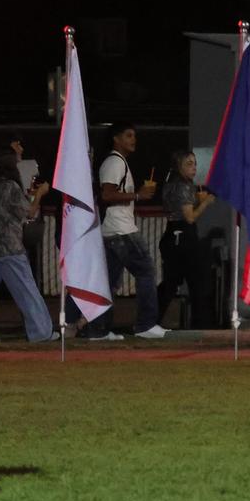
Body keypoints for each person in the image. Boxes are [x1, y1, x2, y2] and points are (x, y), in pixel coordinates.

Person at [79, 121, 167, 340]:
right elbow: (107, 194)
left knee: (108, 282)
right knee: (146, 272)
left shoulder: (116, 162)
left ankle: (99, 330)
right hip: (122, 230)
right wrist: (138, 196)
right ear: (116, 139)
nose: (133, 139)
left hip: (111, 231)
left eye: (133, 135)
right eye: (128, 135)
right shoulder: (115, 163)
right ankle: (146, 324)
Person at [0, 135, 54, 343]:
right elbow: (29, 213)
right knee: (27, 290)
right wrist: (40, 194)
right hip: (9, 246)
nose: (20, 151)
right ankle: (42, 333)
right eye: (16, 150)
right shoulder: (10, 186)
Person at [156, 147, 215, 328]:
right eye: (189, 164)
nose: (194, 168)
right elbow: (189, 217)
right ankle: (200, 323)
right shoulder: (183, 185)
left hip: (172, 234)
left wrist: (197, 200)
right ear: (179, 166)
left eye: (195, 164)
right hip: (182, 236)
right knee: (196, 282)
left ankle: (151, 319)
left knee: (171, 283)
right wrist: (205, 202)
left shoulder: (171, 183)